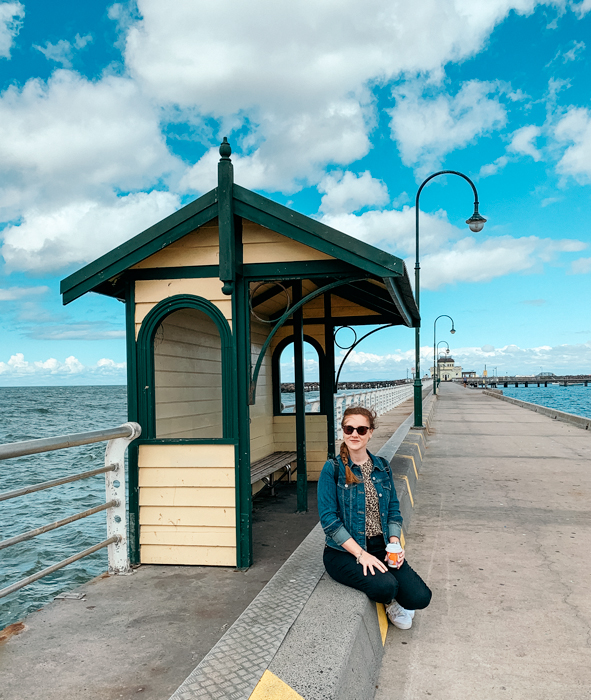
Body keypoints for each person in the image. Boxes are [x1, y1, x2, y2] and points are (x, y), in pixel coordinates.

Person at [317, 406, 432, 629]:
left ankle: (391, 583)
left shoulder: (382, 467)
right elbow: (329, 521)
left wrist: (395, 544)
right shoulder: (332, 469)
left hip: (380, 546)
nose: (354, 434)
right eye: (349, 428)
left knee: (420, 598)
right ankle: (390, 603)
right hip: (343, 552)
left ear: (370, 432)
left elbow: (393, 511)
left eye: (361, 429)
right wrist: (361, 555)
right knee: (386, 587)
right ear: (343, 430)